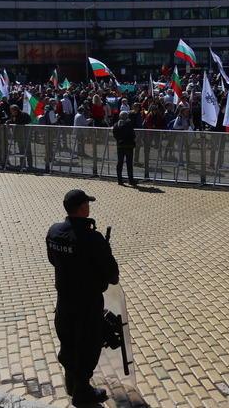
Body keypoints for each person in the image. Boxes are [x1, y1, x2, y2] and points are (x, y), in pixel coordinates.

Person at [45, 190, 119, 406]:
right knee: (88, 343)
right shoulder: (92, 238)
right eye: (88, 203)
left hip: (64, 300)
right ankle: (82, 391)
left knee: (67, 339)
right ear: (83, 208)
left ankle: (71, 381)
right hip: (87, 302)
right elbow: (112, 275)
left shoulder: (53, 231)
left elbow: (53, 260)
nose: (89, 206)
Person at [112, 111, 138, 186]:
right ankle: (131, 180)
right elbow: (133, 135)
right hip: (128, 146)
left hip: (120, 145)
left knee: (119, 162)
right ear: (126, 117)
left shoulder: (116, 125)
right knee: (129, 163)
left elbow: (115, 135)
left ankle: (119, 180)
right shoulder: (128, 124)